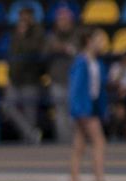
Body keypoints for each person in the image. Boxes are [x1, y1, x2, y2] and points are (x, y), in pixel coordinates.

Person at [68, 28, 110, 181]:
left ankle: (74, 180)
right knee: (99, 141)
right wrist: (79, 111)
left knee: (79, 144)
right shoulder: (81, 62)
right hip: (83, 109)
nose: (102, 44)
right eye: (98, 40)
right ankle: (99, 178)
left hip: (91, 106)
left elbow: (99, 88)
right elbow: (76, 89)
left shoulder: (97, 63)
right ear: (89, 41)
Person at [4, 7, 46, 144]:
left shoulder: (37, 32)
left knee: (30, 115)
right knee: (8, 106)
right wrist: (9, 76)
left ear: (31, 17)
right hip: (15, 79)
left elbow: (32, 51)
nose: (23, 19)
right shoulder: (16, 33)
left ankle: (30, 143)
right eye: (21, 16)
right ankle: (31, 134)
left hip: (30, 79)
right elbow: (12, 54)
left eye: (26, 16)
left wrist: (23, 35)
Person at [45, 7, 80, 144]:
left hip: (74, 80)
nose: (63, 23)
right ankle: (63, 143)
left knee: (74, 114)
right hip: (57, 79)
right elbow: (45, 51)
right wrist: (62, 48)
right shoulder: (51, 36)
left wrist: (62, 47)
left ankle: (76, 142)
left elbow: (77, 50)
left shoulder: (77, 35)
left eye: (65, 20)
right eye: (60, 20)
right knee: (60, 114)